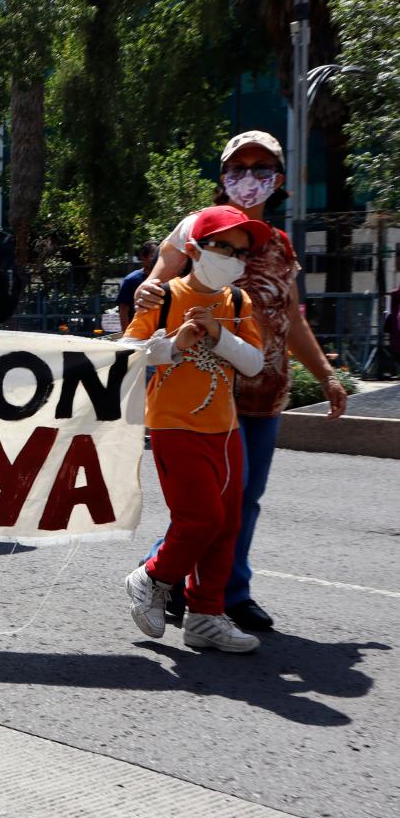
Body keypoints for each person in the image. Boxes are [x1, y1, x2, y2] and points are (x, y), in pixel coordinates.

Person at [133, 130, 347, 634]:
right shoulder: (198, 228)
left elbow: (291, 320)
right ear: (223, 175)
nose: (249, 179)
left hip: (262, 391)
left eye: (261, 169)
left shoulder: (278, 245)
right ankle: (165, 578)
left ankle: (226, 594)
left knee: (240, 501)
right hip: (200, 395)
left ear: (278, 179)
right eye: (238, 168)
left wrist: (327, 375)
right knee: (206, 506)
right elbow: (158, 282)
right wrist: (148, 290)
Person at [122, 205, 269, 653]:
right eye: (222, 246)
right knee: (200, 519)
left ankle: (206, 615)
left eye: (241, 252)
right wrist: (173, 344)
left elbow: (255, 363)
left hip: (224, 431)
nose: (232, 257)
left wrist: (220, 337)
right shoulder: (163, 296)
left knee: (225, 524)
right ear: (195, 248)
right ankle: (151, 576)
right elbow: (127, 352)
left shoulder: (238, 302)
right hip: (173, 425)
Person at [116, 242, 158, 333]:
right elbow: (123, 309)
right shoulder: (131, 280)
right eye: (153, 255)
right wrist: (126, 333)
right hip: (137, 333)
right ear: (143, 257)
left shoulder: (166, 279)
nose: (157, 259)